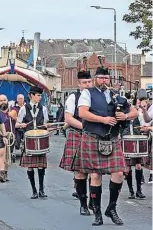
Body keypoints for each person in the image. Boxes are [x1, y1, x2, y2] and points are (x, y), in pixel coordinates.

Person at [78, 66, 138, 226]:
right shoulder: (87, 93)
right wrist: (103, 119)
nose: (104, 81)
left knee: (119, 173)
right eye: (101, 78)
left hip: (112, 138)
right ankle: (97, 213)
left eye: (106, 78)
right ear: (95, 78)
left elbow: (135, 112)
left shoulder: (115, 95)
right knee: (96, 175)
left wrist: (125, 115)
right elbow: (83, 113)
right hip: (93, 137)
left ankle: (111, 208)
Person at [59, 70, 93, 215]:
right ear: (79, 83)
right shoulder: (73, 97)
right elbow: (68, 118)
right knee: (80, 172)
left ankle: (93, 201)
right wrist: (86, 127)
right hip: (78, 134)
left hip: (94, 136)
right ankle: (83, 204)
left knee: (94, 172)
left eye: (89, 82)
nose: (87, 85)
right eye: (84, 82)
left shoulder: (96, 96)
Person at [16, 86, 49, 199]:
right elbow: (17, 124)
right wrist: (22, 125)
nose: (40, 97)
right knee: (30, 167)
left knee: (41, 166)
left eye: (40, 95)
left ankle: (41, 190)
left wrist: (46, 126)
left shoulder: (43, 108)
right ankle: (34, 190)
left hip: (40, 140)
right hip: (29, 140)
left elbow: (45, 123)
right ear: (31, 95)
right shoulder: (24, 109)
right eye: (38, 95)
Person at [0, 94, 17, 182]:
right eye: (1, 100)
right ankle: (1, 172)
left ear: (7, 100)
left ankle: (5, 172)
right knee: (1, 154)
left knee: (7, 155)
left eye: (4, 100)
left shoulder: (13, 110)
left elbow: (15, 116)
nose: (3, 102)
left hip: (10, 136)